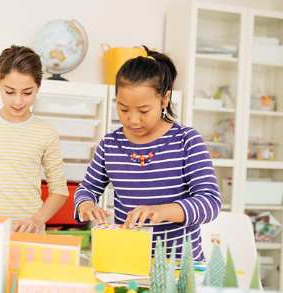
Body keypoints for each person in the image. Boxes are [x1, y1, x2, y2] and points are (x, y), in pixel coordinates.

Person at [74, 46, 221, 260]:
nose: (133, 120)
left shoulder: (186, 141)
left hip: (179, 265)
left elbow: (210, 202)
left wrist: (161, 212)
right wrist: (86, 204)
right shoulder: (110, 145)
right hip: (128, 262)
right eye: (123, 109)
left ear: (164, 100)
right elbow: (86, 188)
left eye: (143, 111)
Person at [0, 45, 69, 233]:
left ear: (38, 87)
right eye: (10, 92)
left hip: (29, 235)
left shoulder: (46, 132)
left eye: (27, 93)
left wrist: (37, 220)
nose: (18, 101)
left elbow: (59, 190)